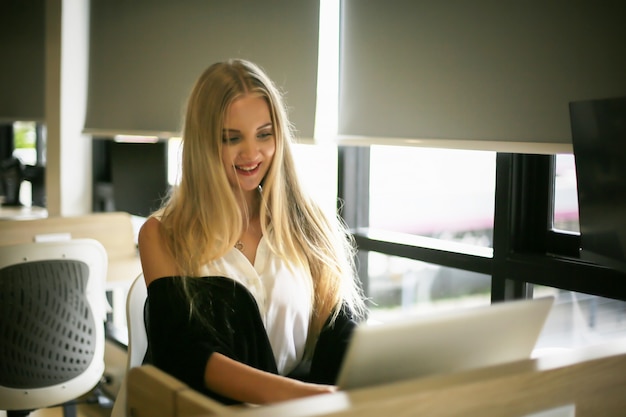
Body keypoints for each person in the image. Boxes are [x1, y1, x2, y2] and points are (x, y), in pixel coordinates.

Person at [137, 58, 367, 405]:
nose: (251, 153)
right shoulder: (161, 234)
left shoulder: (307, 222)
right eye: (232, 138)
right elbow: (184, 356)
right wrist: (310, 397)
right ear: (203, 144)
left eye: (264, 134)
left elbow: (339, 333)